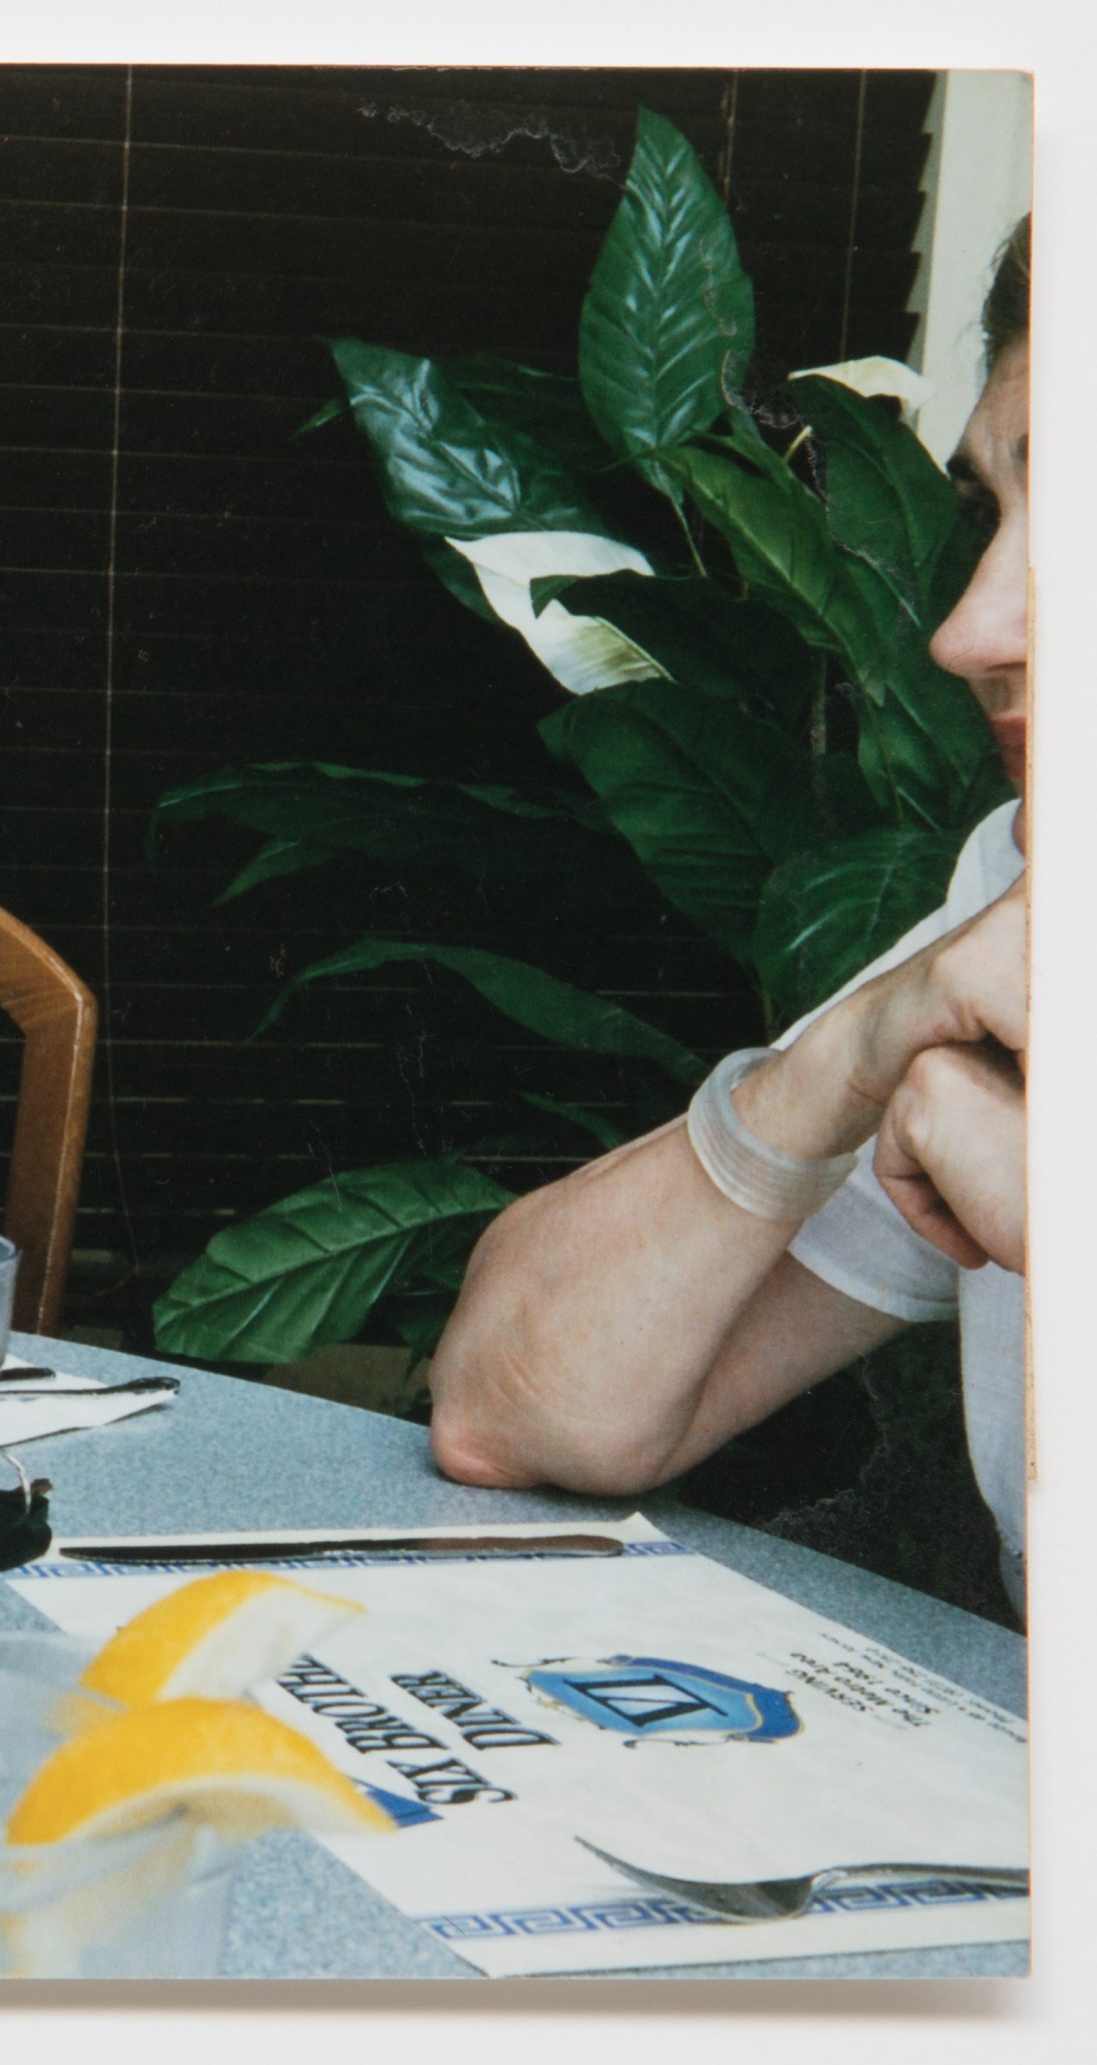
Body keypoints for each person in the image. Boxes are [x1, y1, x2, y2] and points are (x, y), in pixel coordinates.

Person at [427, 220, 1033, 1613]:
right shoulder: (1026, 895)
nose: (967, 633)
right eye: (997, 517)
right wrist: (856, 1047)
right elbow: (517, 1409)